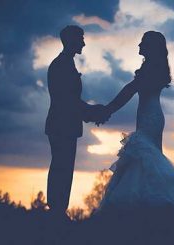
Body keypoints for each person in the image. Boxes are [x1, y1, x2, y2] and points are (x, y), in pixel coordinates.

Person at [96, 31, 174, 225]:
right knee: (146, 160)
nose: (139, 46)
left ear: (150, 47)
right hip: (152, 116)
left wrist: (107, 110)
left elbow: (129, 91)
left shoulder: (150, 69)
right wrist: (107, 110)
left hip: (150, 118)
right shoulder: (152, 68)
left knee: (146, 158)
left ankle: (148, 214)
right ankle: (149, 215)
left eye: (142, 43)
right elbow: (130, 91)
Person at [45, 25, 110, 221]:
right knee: (61, 169)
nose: (83, 42)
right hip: (61, 125)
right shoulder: (61, 65)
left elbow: (70, 101)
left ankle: (58, 212)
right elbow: (67, 100)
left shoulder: (65, 64)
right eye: (80, 38)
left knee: (63, 169)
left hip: (64, 125)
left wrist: (91, 111)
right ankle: (57, 213)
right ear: (71, 40)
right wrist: (93, 112)